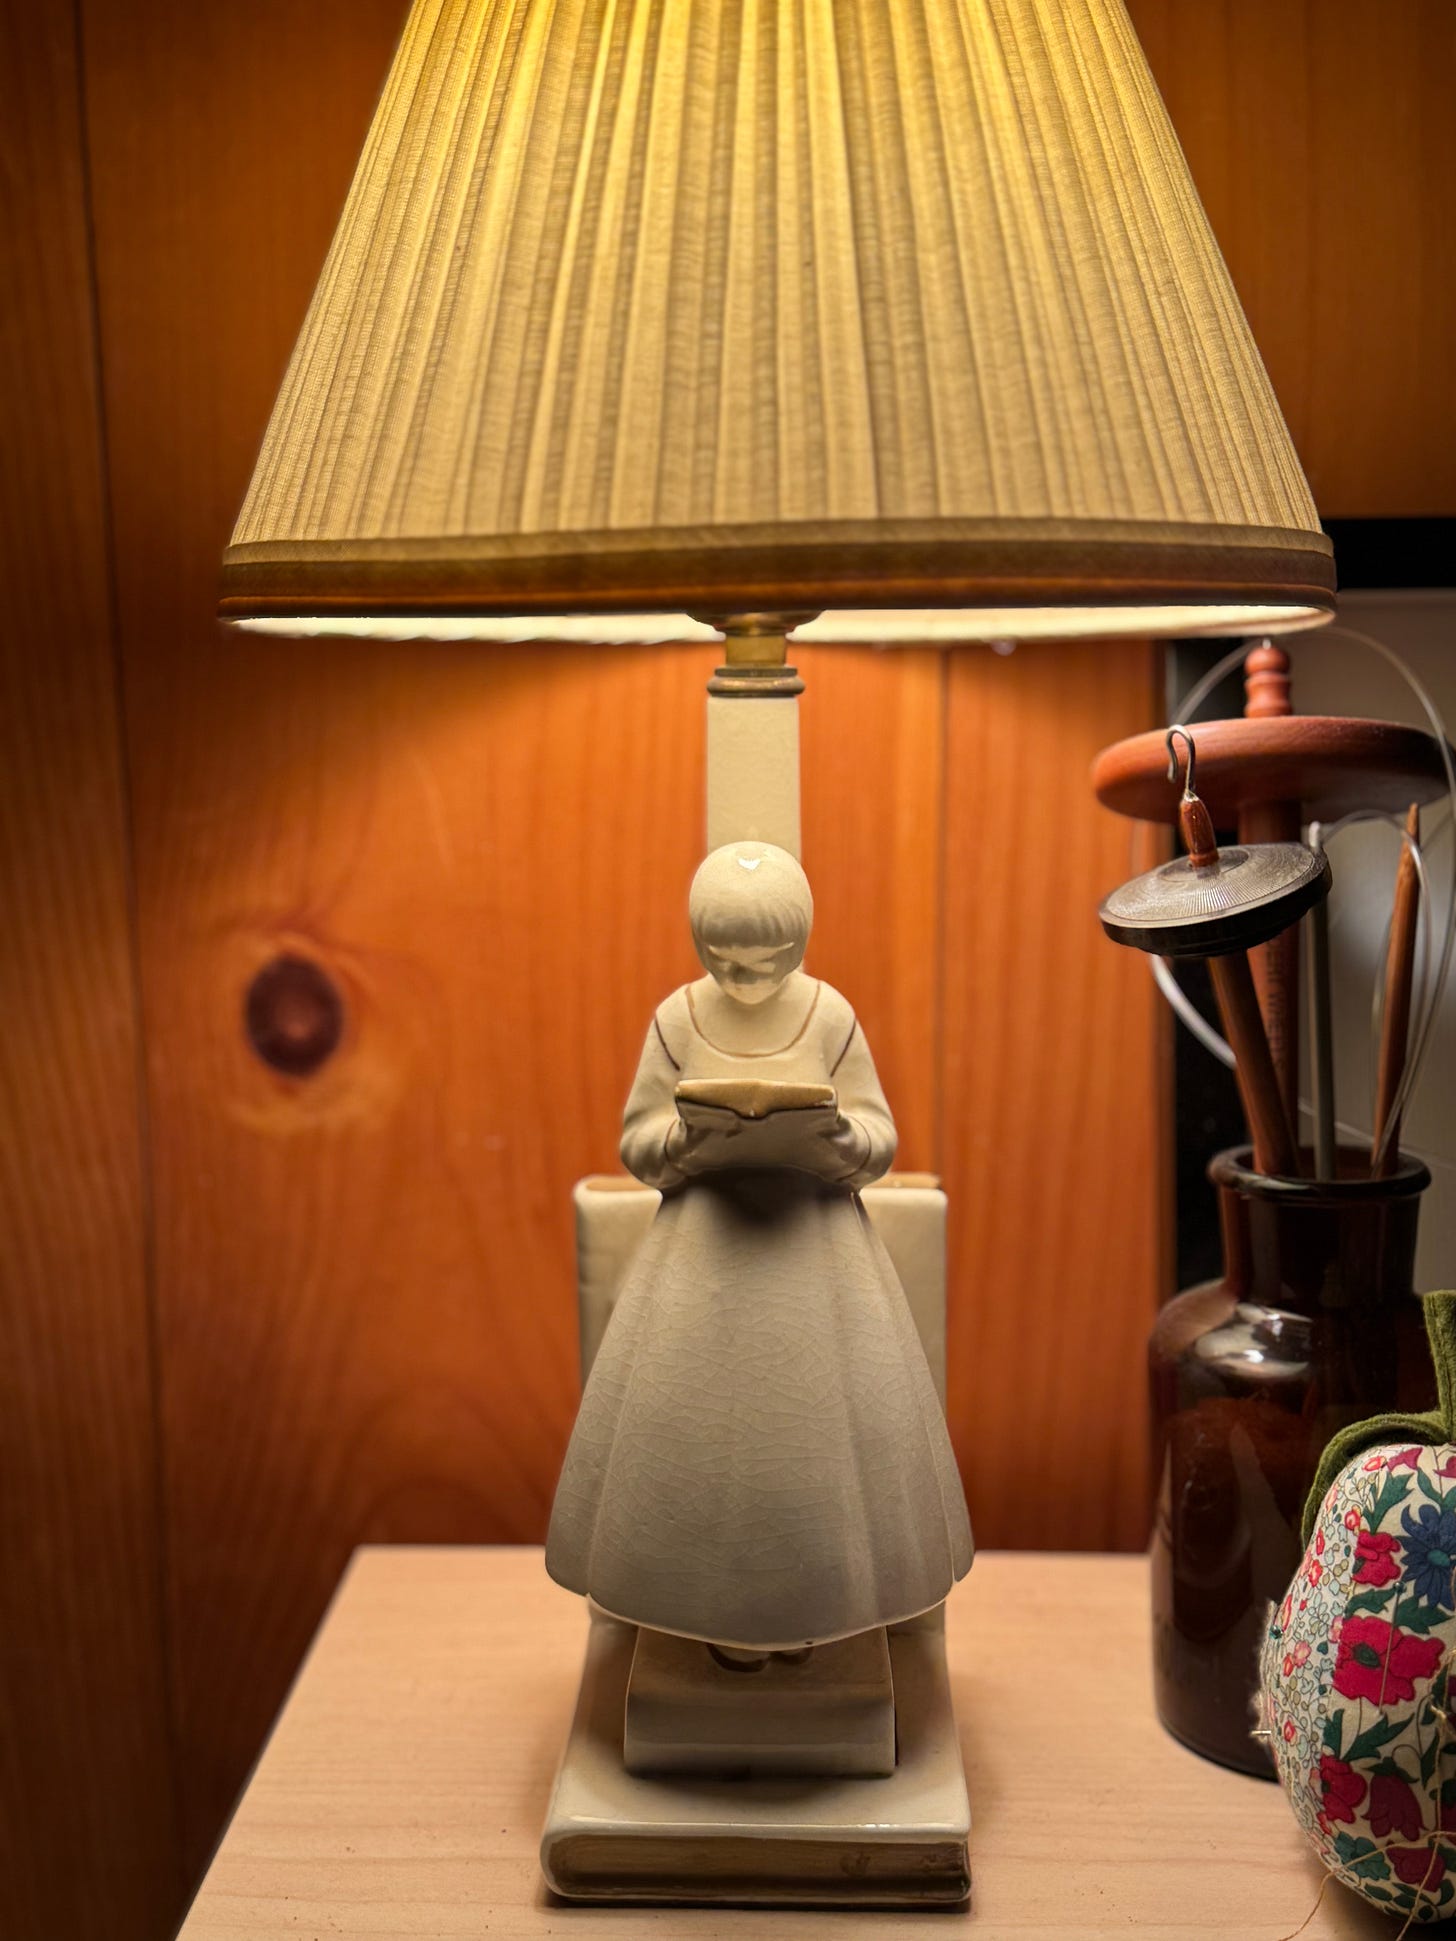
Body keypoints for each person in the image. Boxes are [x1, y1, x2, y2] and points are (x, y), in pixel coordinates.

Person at [546, 841, 973, 1649]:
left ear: (802, 937)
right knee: (691, 1433)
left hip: (819, 1247)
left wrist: (834, 1138)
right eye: (725, 958)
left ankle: (821, 1617)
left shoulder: (829, 1016)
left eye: (769, 957)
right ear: (697, 942)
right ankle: (695, 1622)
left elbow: (878, 1134)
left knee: (821, 1437)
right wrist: (686, 1141)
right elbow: (637, 1139)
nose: (746, 976)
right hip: (699, 1253)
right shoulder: (677, 1018)